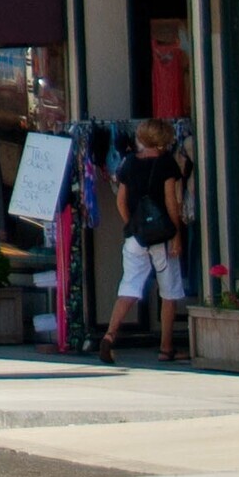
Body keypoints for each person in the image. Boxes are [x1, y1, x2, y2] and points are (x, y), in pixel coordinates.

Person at [103, 117, 187, 365]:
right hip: (162, 236)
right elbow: (171, 202)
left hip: (136, 237)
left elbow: (120, 200)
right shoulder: (166, 163)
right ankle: (166, 348)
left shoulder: (129, 162)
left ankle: (109, 335)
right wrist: (176, 235)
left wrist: (133, 225)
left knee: (129, 286)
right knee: (169, 291)